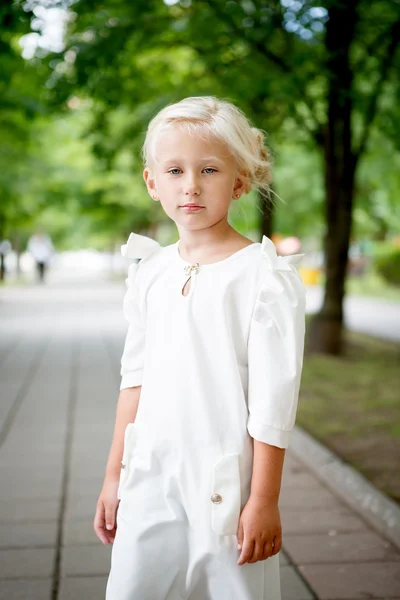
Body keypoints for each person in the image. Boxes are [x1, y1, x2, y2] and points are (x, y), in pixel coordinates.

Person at [94, 96, 306, 600]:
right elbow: (134, 379)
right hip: (149, 473)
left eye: (209, 169)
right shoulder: (150, 272)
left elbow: (273, 404)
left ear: (238, 181)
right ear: (152, 182)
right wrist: (111, 476)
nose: (190, 184)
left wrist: (264, 499)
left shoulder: (262, 277)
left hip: (223, 480)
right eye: (174, 170)